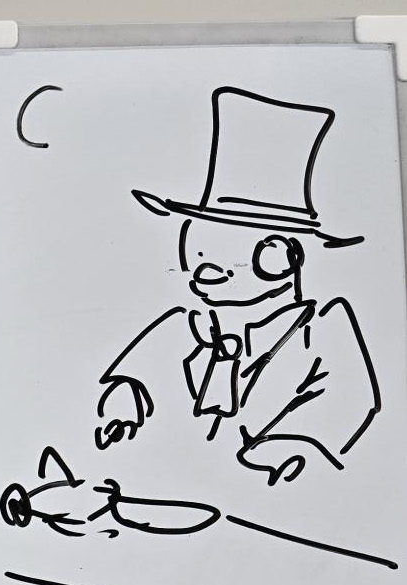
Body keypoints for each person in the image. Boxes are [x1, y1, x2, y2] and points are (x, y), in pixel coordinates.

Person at [94, 87, 379, 486]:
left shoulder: (322, 328)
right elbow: (135, 375)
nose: (203, 270)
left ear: (281, 257)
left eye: (223, 251)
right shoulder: (186, 325)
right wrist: (126, 397)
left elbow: (346, 396)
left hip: (273, 491)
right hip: (167, 485)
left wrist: (294, 445)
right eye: (196, 250)